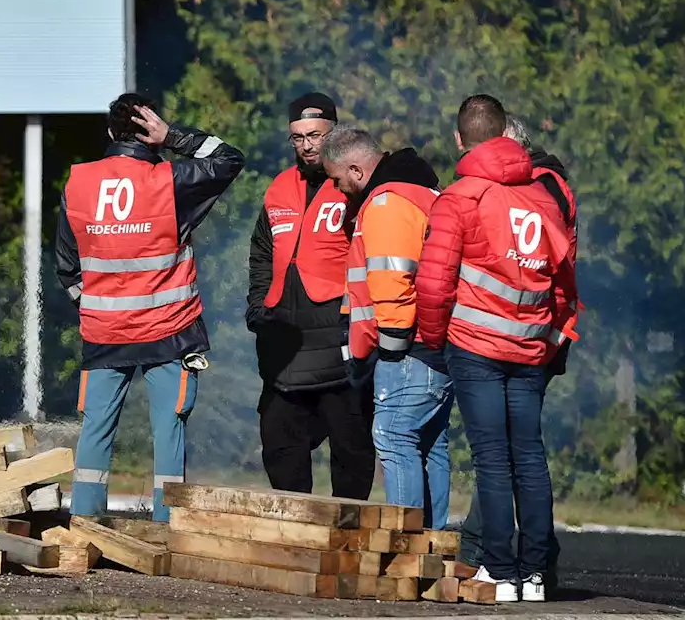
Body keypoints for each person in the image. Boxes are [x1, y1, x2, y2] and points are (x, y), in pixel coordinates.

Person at [417, 95, 579, 603]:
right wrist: (550, 339)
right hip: (529, 349)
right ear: (508, 136)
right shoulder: (543, 198)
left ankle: (500, 572)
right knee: (529, 456)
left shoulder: (460, 197)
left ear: (460, 140)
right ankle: (534, 576)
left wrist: (434, 338)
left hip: (475, 347)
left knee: (491, 460)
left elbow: (435, 283)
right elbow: (562, 281)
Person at [56, 93, 245, 522]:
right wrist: (173, 136)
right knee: (169, 431)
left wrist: (97, 307)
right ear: (152, 132)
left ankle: (84, 524)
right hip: (170, 331)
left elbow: (67, 268)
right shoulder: (169, 180)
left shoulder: (78, 183)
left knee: (95, 432)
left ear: (109, 133)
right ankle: (167, 529)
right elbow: (230, 159)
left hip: (104, 334)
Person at [458, 115, 576, 588]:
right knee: (518, 453)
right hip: (534, 332)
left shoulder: (535, 188)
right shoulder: (549, 187)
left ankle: (507, 565)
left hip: (513, 336)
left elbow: (554, 265)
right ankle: (527, 567)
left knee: (503, 454)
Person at [319, 125, 452, 527]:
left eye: (338, 180)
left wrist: (390, 347)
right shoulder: (423, 191)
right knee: (431, 446)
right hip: (436, 346)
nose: (339, 190)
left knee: (394, 439)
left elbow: (392, 277)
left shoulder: (386, 202)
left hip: (407, 350)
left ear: (357, 170)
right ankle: (434, 544)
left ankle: (406, 549)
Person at [246, 93, 374, 498]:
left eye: (315, 135)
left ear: (334, 131)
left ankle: (349, 538)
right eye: (297, 138)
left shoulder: (353, 183)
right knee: (280, 442)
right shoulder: (279, 187)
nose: (306, 146)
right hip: (285, 338)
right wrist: (258, 304)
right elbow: (262, 252)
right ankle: (296, 533)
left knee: (350, 444)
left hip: (338, 333)